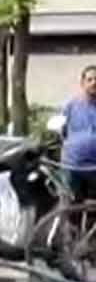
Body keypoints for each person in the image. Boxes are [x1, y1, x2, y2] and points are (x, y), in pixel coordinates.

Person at [61, 65, 96, 201]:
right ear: (82, 83)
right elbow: (60, 129)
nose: (94, 82)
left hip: (94, 168)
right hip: (72, 166)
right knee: (72, 208)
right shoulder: (70, 106)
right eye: (90, 79)